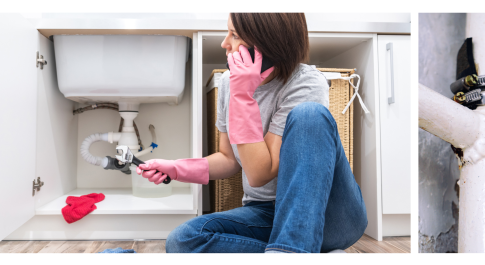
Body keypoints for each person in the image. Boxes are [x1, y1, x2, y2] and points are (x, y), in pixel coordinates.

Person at [136, 13, 367, 253]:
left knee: (310, 115)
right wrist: (176, 169)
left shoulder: (306, 83)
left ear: (266, 44)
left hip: (328, 212)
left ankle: (292, 250)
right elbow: (228, 159)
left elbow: (259, 173)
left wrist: (242, 97)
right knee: (183, 240)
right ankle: (297, 249)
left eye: (234, 35)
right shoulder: (228, 82)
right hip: (267, 213)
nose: (224, 43)